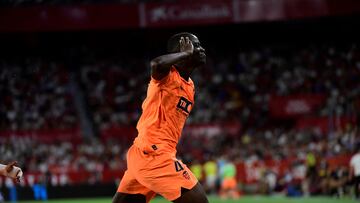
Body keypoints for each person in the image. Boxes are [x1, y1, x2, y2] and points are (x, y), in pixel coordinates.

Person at [112, 32, 208, 203]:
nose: (201, 49)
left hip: (148, 155)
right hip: (155, 155)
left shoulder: (190, 85)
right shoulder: (166, 76)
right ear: (181, 51)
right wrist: (186, 54)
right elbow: (156, 63)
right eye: (196, 45)